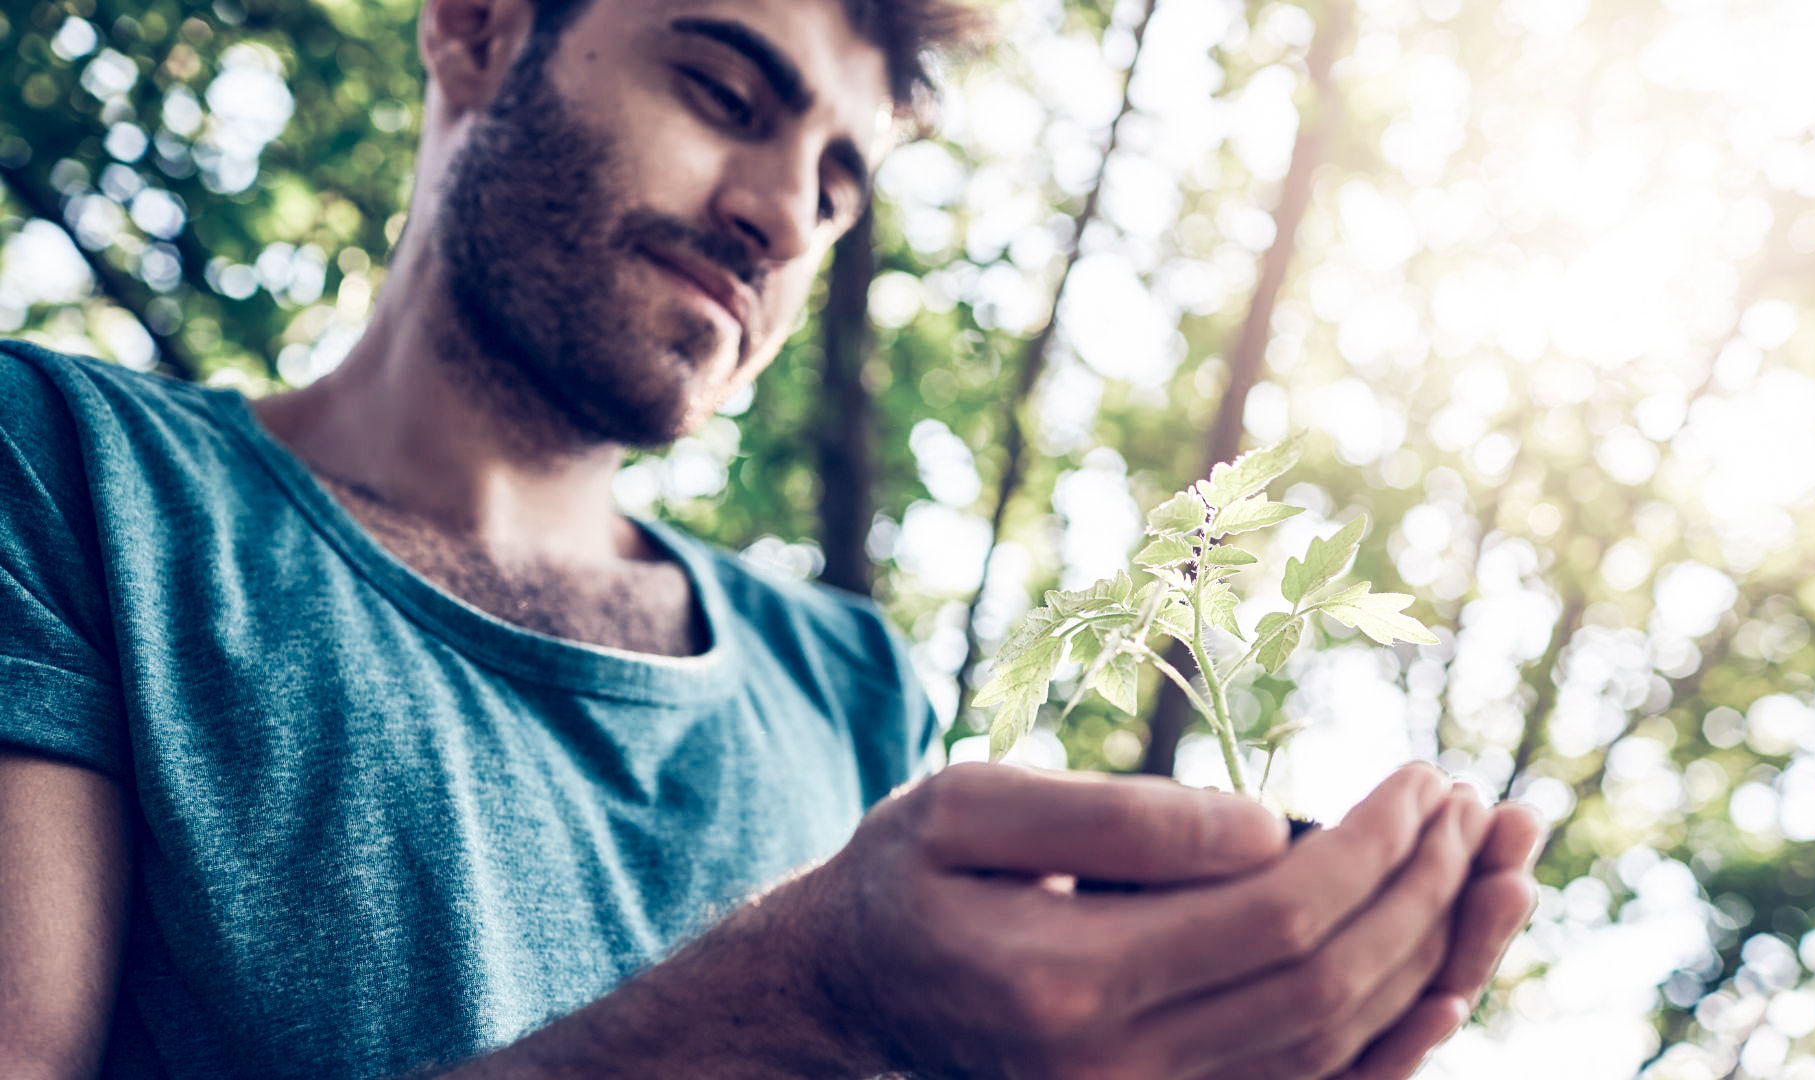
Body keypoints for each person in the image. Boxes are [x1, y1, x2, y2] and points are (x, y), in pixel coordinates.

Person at [0, 0, 1546, 1076]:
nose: (786, 216)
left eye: (837, 182)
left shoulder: (851, 689)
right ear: (478, 25)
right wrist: (800, 992)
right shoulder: (66, 475)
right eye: (727, 97)